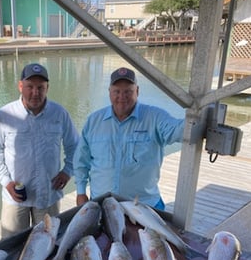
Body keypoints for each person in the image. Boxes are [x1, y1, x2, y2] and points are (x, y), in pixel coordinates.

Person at [0, 62, 79, 237]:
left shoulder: (60, 114)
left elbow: (75, 146)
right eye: (30, 86)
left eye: (40, 87)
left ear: (47, 88)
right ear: (20, 86)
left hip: (48, 195)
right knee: (11, 246)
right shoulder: (4, 115)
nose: (35, 92)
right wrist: (6, 181)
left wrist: (67, 171)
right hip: (14, 197)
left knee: (48, 243)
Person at [73, 67, 184, 210]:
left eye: (128, 91)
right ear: (109, 92)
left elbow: (177, 130)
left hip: (144, 206)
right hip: (103, 205)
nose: (122, 96)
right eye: (117, 91)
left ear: (137, 91)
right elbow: (81, 161)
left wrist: (197, 117)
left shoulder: (155, 117)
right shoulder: (93, 121)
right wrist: (81, 192)